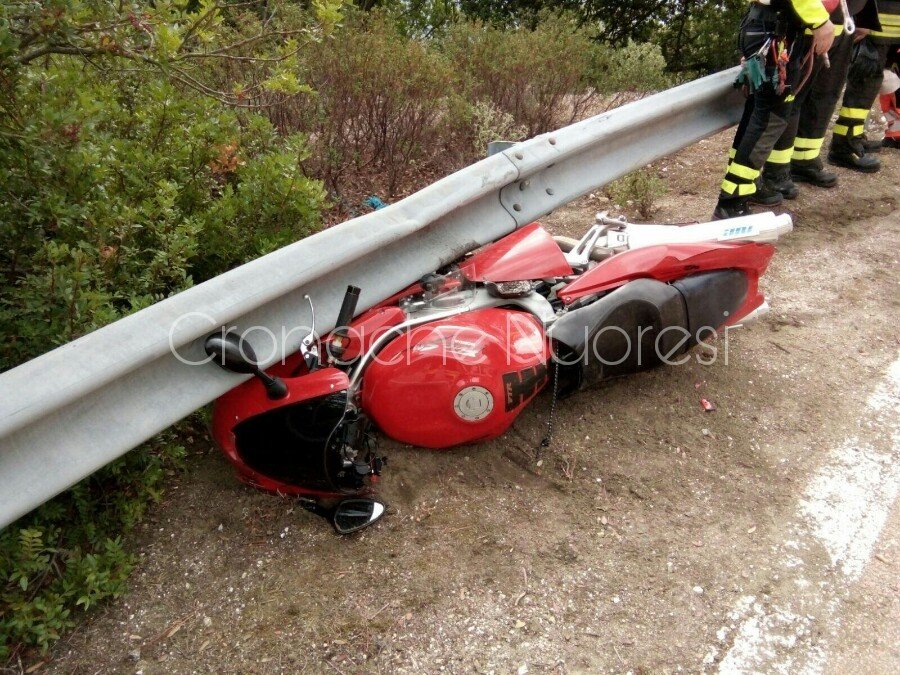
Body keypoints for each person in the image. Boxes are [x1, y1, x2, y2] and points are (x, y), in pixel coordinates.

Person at [714, 0, 836, 220]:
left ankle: (744, 185)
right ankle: (732, 200)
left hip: (768, 28)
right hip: (776, 34)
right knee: (771, 117)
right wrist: (820, 21)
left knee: (758, 112)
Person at [754, 0, 881, 203]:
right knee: (792, 100)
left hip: (842, 23)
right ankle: (776, 171)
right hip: (810, 25)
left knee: (825, 95)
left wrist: (864, 17)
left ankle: (805, 160)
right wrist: (816, 22)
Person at [827, 1, 900, 160]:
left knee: (878, 83)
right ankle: (845, 142)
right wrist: (862, 19)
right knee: (864, 83)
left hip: (887, 26)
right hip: (877, 26)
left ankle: (857, 135)